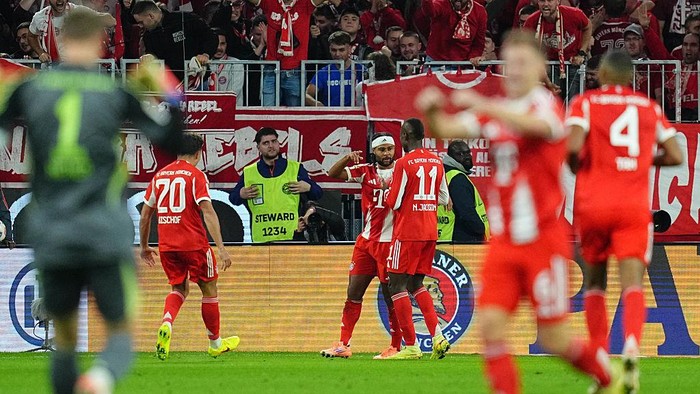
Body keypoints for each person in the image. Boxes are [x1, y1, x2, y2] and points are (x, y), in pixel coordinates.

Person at [416, 30, 620, 393]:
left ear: (540, 67)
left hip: (543, 240)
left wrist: (483, 104)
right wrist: (431, 108)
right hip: (504, 243)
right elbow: (443, 128)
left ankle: (607, 379)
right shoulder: (499, 111)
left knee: (554, 340)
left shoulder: (544, 104)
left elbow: (539, 128)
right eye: (509, 63)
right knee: (490, 329)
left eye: (523, 63)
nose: (514, 70)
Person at [0, 8, 183, 394]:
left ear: (60, 41)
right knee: (120, 335)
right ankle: (98, 383)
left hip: (53, 230)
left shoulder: (29, 89)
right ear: (100, 44)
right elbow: (174, 142)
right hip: (103, 231)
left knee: (64, 340)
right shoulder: (115, 93)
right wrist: (168, 87)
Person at [566, 50, 683, 394]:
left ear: (601, 72)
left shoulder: (586, 103)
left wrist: (580, 165)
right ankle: (631, 346)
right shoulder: (648, 107)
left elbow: (572, 147)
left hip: (594, 204)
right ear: (631, 77)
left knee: (595, 283)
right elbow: (675, 154)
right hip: (633, 206)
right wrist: (644, 158)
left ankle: (601, 359)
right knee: (632, 282)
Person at [140, 133, 240, 361]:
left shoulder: (159, 176)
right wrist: (221, 248)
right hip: (193, 244)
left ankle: (167, 321)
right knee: (209, 289)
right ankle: (215, 343)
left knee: (178, 289)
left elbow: (146, 215)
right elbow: (207, 211)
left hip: (166, 245)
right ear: (198, 154)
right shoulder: (196, 176)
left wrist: (145, 246)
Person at [319, 133, 404, 359]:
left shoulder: (403, 170)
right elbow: (332, 173)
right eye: (381, 149)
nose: (386, 153)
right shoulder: (365, 171)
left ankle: (396, 346)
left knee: (390, 297)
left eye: (389, 148)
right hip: (366, 243)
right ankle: (343, 345)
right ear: (373, 152)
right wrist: (347, 158)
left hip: (390, 243)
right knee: (353, 293)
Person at [382, 118, 452, 360]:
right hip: (429, 232)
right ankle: (438, 336)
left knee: (396, 285)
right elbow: (444, 198)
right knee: (416, 284)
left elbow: (394, 202)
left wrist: (389, 187)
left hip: (408, 232)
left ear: (404, 136)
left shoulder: (403, 163)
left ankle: (411, 346)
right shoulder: (436, 161)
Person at [229, 127, 323, 243]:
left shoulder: (295, 168)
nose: (271, 146)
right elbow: (233, 198)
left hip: (292, 236)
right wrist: (241, 194)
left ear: (279, 143)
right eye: (265, 143)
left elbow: (318, 193)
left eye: (274, 141)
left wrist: (309, 187)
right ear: (258, 147)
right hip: (261, 239)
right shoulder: (249, 172)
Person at [246, 0, 340, 106]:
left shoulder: (305, 3)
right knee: (268, 115)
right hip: (271, 68)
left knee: (294, 114)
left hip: (295, 70)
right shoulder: (270, 2)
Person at [132, 0, 218, 81]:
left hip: (197, 81)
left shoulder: (185, 19)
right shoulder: (148, 35)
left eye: (141, 22)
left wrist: (206, 54)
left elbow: (211, 36)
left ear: (151, 16)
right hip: (170, 87)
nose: (140, 26)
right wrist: (150, 57)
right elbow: (153, 55)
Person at [523, 0, 592, 100]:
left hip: (572, 64)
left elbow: (588, 26)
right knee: (554, 102)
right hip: (550, 65)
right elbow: (526, 46)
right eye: (542, 1)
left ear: (558, 1)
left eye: (550, 0)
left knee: (573, 102)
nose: (546, 4)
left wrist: (582, 52)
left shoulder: (574, 14)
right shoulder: (531, 21)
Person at [27, 0, 116, 64]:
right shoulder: (40, 17)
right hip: (52, 69)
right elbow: (31, 36)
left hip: (79, 68)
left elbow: (111, 21)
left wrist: (91, 19)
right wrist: (40, 52)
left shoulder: (78, 12)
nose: (59, 1)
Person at [437, 140, 489, 243]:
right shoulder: (457, 178)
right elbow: (466, 213)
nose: (466, 157)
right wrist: (481, 229)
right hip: (462, 240)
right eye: (460, 154)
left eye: (467, 153)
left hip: (445, 236)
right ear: (450, 157)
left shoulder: (445, 174)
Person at [305, 31, 365, 107]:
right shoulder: (324, 72)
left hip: (355, 116)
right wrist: (318, 105)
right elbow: (306, 95)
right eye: (334, 50)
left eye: (341, 50)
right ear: (329, 49)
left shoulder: (361, 70)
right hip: (331, 116)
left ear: (349, 49)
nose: (337, 54)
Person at [422, 0, 487, 67]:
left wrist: (473, 57)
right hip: (436, 62)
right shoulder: (442, 3)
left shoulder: (480, 11)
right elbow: (429, 11)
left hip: (463, 64)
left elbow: (479, 42)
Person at [207, 28, 245, 96]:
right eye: (215, 44)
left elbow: (233, 93)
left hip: (231, 105)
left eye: (222, 44)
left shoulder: (236, 64)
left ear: (226, 45)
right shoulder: (204, 64)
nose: (219, 48)